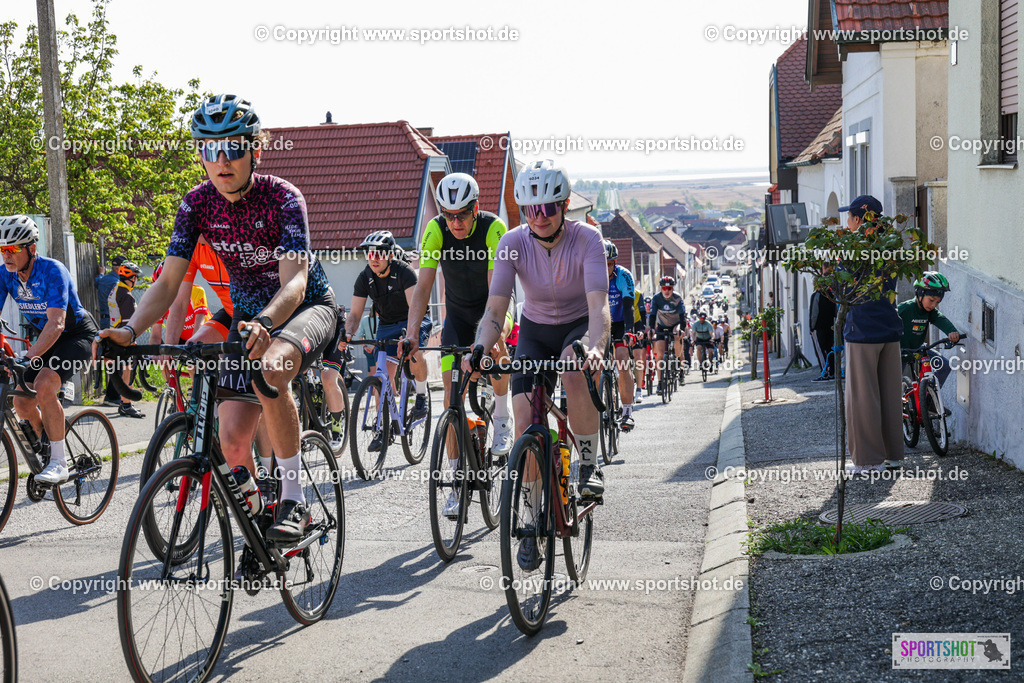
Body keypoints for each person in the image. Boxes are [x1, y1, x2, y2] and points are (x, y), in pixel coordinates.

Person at [101, 94, 337, 542]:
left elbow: (295, 281)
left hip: (304, 309)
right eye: (210, 149)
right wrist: (129, 330)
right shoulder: (197, 204)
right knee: (230, 440)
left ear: (255, 150)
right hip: (246, 316)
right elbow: (168, 284)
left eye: (233, 147)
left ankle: (294, 500)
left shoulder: (283, 198)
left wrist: (266, 322)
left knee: (270, 370)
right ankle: (258, 525)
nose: (222, 160)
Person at [464, 159, 609, 528]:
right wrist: (480, 347)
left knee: (573, 370)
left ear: (564, 206)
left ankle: (588, 465)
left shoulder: (588, 239)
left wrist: (597, 347)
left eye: (547, 208)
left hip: (578, 325)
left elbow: (598, 305)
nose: (539, 217)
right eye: (530, 209)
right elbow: (496, 309)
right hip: (535, 329)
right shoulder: (512, 243)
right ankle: (530, 520)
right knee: (524, 422)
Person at [403, 173, 514, 482]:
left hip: (496, 306)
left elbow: (496, 291)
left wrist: (491, 335)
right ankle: (455, 478)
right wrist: (412, 334)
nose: (455, 222)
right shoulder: (435, 229)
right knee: (451, 399)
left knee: (497, 346)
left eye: (462, 214)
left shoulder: (494, 228)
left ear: (475, 208)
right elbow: (423, 287)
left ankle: (502, 416)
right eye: (448, 215)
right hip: (458, 316)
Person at [0, 215, 98, 484]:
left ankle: (59, 462)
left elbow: (57, 323)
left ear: (32, 248)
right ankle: (47, 440)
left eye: (13, 249)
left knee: (44, 385)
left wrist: (28, 357)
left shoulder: (53, 271)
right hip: (46, 338)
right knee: (21, 400)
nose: (6, 255)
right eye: (3, 249)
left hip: (75, 336)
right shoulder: (5, 274)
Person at [338, 230, 430, 452]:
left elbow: (415, 308)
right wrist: (347, 334)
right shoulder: (364, 278)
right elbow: (355, 314)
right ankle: (382, 427)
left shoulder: (405, 272)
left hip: (413, 319)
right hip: (387, 325)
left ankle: (421, 395)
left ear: (390, 255)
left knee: (415, 353)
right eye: (370, 254)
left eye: (379, 254)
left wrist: (410, 336)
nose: (374, 258)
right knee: (382, 376)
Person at [838, 195, 904, 473]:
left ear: (857, 219)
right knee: (890, 395)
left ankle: (867, 461)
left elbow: (841, 289)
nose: (847, 223)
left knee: (863, 398)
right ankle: (893, 455)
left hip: (862, 330)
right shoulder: (891, 245)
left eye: (849, 218)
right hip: (889, 327)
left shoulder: (852, 250)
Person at [898, 272, 960, 387]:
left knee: (944, 366)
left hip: (919, 349)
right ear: (920, 293)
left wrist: (952, 331)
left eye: (937, 302)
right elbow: (888, 320)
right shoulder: (906, 308)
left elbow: (940, 319)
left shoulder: (930, 312)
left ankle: (928, 395)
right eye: (931, 300)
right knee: (893, 383)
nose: (933, 305)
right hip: (900, 351)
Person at [605, 240, 637, 431]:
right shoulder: (588, 275)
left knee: (623, 361)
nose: (606, 268)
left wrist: (629, 330)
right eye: (602, 263)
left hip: (619, 322)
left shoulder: (623, 276)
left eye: (610, 263)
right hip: (599, 322)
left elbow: (628, 306)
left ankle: (627, 411)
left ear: (615, 263)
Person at [108, 261, 146, 418]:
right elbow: (128, 323)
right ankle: (126, 405)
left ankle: (124, 403)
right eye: (135, 277)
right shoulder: (127, 297)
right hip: (123, 338)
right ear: (131, 278)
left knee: (123, 370)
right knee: (127, 371)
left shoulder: (116, 289)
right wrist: (132, 341)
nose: (136, 280)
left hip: (114, 334)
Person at [648, 275, 686, 393]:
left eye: (669, 288)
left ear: (673, 288)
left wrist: (682, 329)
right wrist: (652, 329)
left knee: (677, 334)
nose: (667, 291)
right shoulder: (656, 298)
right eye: (664, 288)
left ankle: (679, 363)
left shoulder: (677, 298)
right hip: (662, 325)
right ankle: (660, 383)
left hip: (675, 324)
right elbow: (653, 315)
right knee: (659, 354)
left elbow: (682, 316)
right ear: (661, 288)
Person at [95, 255, 125, 406]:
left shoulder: (103, 280)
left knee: (111, 358)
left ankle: (112, 394)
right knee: (118, 358)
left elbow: (97, 282)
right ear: (120, 268)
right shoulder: (117, 284)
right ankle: (113, 396)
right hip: (114, 322)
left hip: (104, 321)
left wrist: (101, 274)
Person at [809, 282, 837, 381]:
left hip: (819, 327)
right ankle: (832, 372)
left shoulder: (816, 295)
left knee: (820, 351)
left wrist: (812, 328)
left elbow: (814, 313)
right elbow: (835, 311)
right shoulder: (831, 295)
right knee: (830, 349)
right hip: (831, 326)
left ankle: (824, 372)